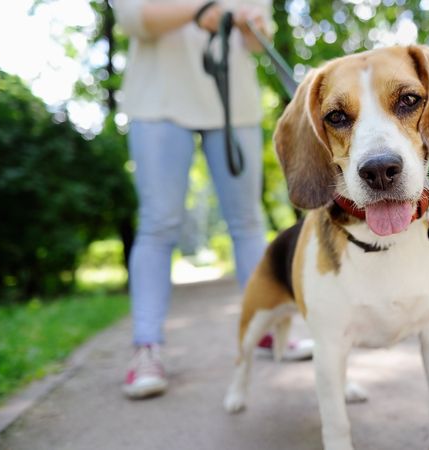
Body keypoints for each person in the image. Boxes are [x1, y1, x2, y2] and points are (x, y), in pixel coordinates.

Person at [112, 0, 310, 399]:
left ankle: (269, 328)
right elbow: (133, 18)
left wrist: (249, 25)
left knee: (248, 222)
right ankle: (146, 349)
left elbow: (257, 41)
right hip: (157, 101)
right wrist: (202, 9)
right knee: (158, 224)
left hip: (233, 105)